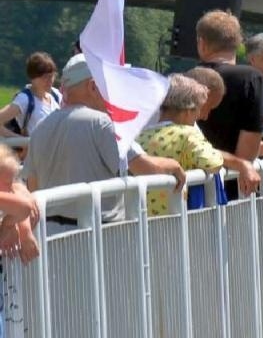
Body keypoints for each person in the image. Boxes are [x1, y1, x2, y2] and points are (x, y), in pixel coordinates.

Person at [21, 56, 187, 229]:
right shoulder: (101, 123)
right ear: (93, 86)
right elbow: (143, 168)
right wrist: (173, 165)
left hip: (49, 233)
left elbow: (33, 185)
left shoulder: (41, 128)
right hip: (99, 233)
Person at [194, 11, 263, 198]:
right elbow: (248, 144)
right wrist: (246, 162)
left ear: (202, 44)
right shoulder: (250, 79)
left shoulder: (186, 79)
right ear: (238, 44)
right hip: (236, 188)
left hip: (195, 187)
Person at [136, 76, 225, 216]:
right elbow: (212, 163)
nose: (199, 115)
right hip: (177, 217)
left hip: (143, 218)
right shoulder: (188, 134)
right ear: (188, 110)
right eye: (198, 109)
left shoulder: (140, 136)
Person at [0, 52, 62, 136]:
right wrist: (20, 140)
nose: (49, 80)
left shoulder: (56, 95)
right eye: (44, 77)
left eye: (51, 76)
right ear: (32, 77)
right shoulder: (24, 99)